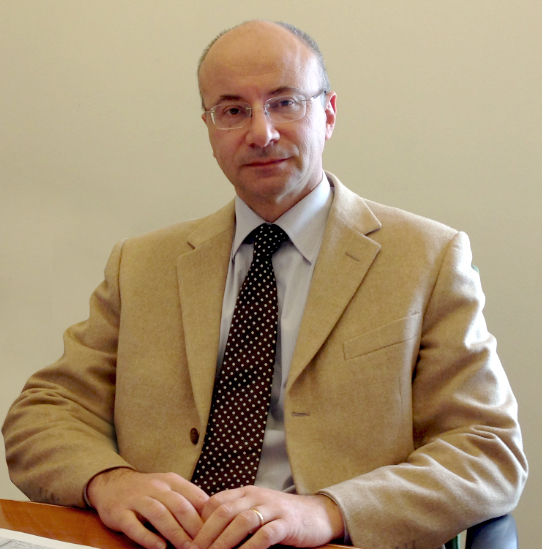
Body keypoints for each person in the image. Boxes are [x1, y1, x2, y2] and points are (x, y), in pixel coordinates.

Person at [2, 20, 527, 549]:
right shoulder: (141, 265)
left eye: (285, 103)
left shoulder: (428, 258)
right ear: (210, 130)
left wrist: (329, 511)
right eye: (233, 111)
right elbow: (44, 412)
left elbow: (487, 449)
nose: (261, 133)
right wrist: (109, 481)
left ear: (328, 114)